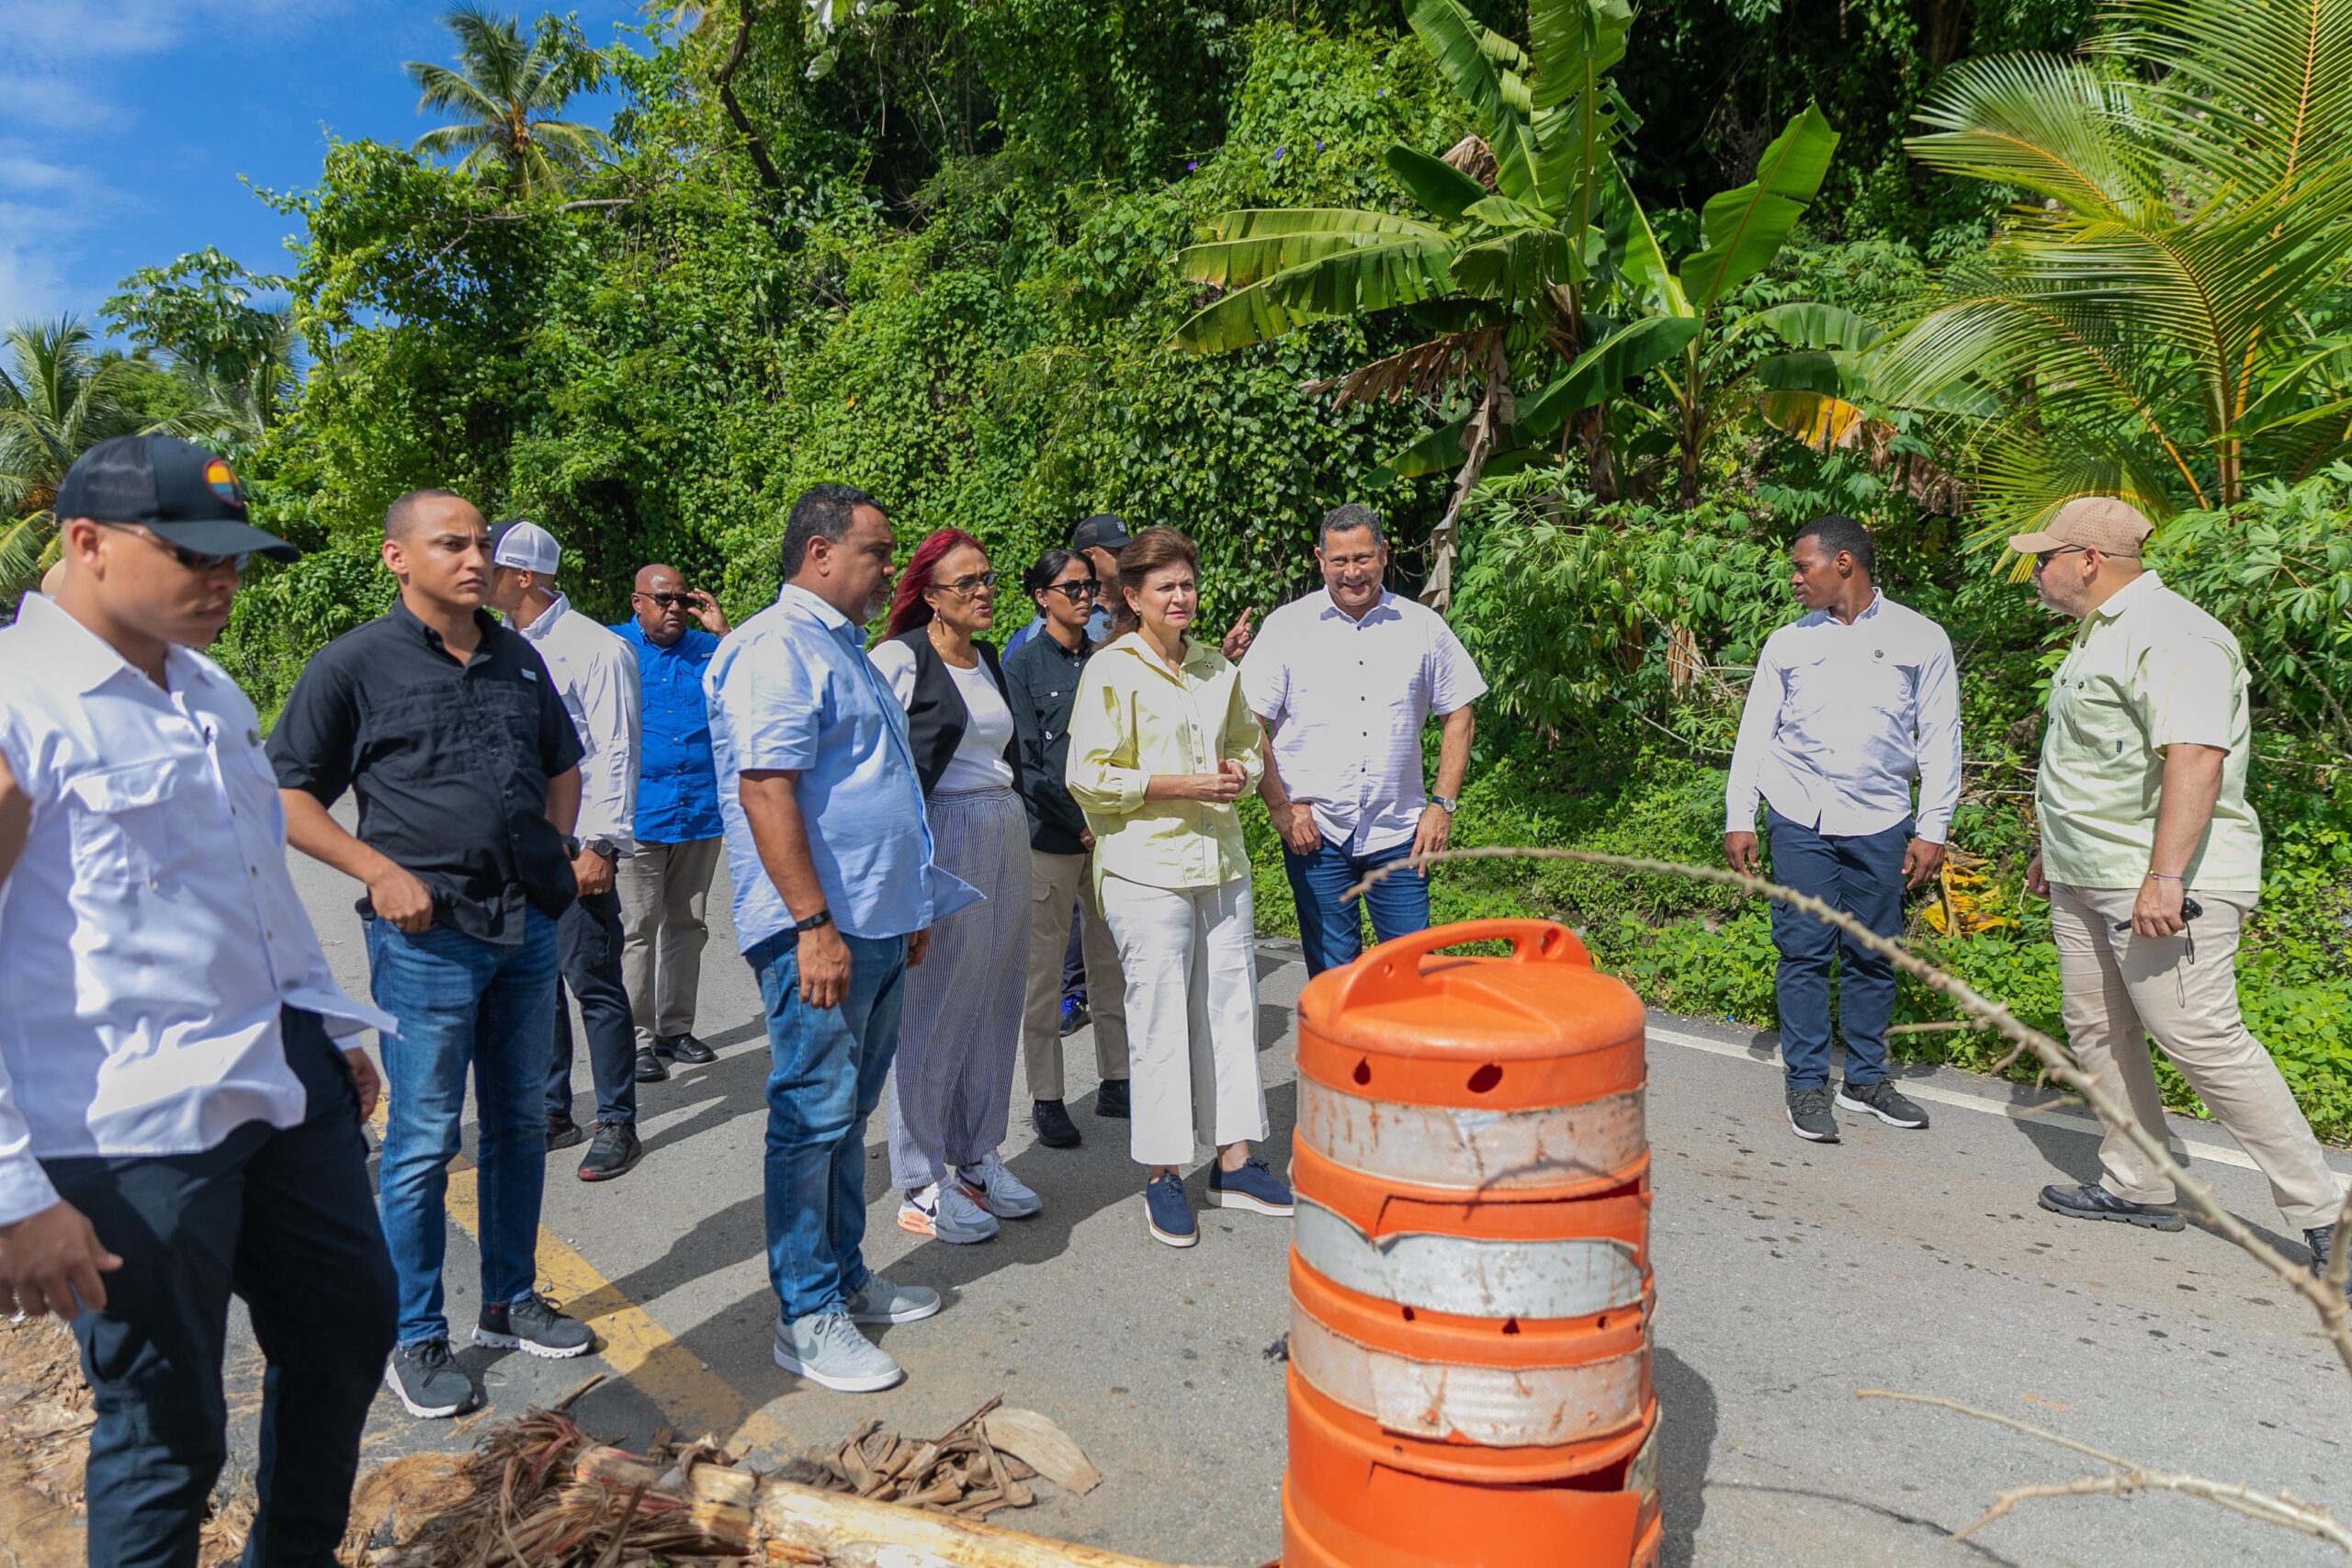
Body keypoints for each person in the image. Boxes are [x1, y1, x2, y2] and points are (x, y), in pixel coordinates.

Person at [0, 434, 398, 1568]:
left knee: (346, 1331)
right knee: (167, 1431)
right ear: (85, 542)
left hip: (276, 1083)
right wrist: (13, 1192)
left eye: (236, 559)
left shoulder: (206, 685)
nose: (221, 580)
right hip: (124, 1131)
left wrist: (316, 1023)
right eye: (191, 554)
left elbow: (250, 880)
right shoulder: (20, 706)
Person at [271, 489, 595, 1421]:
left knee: (519, 1123)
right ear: (395, 558)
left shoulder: (514, 657)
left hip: (525, 927)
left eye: (481, 542)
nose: (473, 556)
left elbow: (563, 763)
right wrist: (376, 870)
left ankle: (508, 1298)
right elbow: (287, 798)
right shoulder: (353, 666)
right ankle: (414, 1334)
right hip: (426, 940)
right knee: (419, 1144)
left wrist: (556, 849)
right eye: (450, 542)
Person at [2015, 498, 2349, 1283]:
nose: (2037, 571)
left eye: (2045, 557)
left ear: (2089, 559)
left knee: (2202, 1038)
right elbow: (2095, 761)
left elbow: (2194, 758)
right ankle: (2139, 1179)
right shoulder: (2100, 636)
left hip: (2160, 881)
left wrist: (2165, 875)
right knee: (2098, 1030)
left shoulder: (2175, 632)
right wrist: (2051, 849)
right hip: (2086, 871)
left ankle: (2323, 1212)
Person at [706, 483, 978, 1393]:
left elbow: (874, 788)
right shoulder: (775, 650)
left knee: (844, 1117)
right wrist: (814, 925)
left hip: (875, 924)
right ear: (819, 554)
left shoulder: (842, 651)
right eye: (874, 551)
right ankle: (804, 1316)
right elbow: (765, 790)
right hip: (818, 932)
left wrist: (906, 911)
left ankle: (845, 1277)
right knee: (811, 1120)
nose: (885, 570)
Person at [1067, 525, 1289, 1248]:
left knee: (1230, 1009)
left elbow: (1247, 750)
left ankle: (1234, 1161)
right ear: (1132, 597)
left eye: (1188, 582)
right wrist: (1174, 784)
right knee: (1160, 1018)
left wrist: (1239, 777)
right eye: (1165, 586)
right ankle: (1164, 1172)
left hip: (1220, 864)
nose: (1181, 596)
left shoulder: (1215, 670)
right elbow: (1088, 775)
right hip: (1144, 868)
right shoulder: (1111, 670)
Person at [1724, 515, 1955, 1145]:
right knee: (1802, 949)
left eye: (1804, 567)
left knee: (1873, 952)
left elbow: (1940, 739)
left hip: (1880, 818)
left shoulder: (1920, 638)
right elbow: (1755, 735)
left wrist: (1932, 827)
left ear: (1845, 564)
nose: (1795, 578)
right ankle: (1806, 1083)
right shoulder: (1787, 644)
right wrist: (1738, 815)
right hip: (1798, 815)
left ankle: (1866, 1078)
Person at [868, 529, 1039, 1242]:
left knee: (996, 1000)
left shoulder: (989, 657)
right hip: (944, 833)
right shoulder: (897, 660)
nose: (983, 591)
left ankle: (976, 1151)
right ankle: (920, 1173)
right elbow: (880, 767)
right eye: (965, 582)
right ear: (930, 595)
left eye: (987, 578)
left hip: (1003, 831)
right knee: (935, 1005)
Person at [1242, 503, 1487, 976]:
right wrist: (1280, 807)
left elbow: (1460, 712)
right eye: (1339, 561)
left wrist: (1443, 805)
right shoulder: (1287, 629)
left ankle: (1405, 1053)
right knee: (1336, 976)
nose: (1352, 573)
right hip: (1315, 834)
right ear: (1320, 559)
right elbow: (1250, 723)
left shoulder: (1422, 627)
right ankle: (1347, 1054)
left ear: (1384, 555)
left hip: (1400, 834)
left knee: (1412, 969)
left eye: (1363, 559)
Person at [485, 520, 646, 1181]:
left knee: (593, 981)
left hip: (579, 843)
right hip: (521, 845)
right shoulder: (498, 645)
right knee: (535, 982)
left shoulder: (594, 647)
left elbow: (617, 749)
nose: (476, 574)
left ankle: (617, 1120)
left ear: (522, 574)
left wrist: (602, 845)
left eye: (488, 564)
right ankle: (555, 1108)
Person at [1004, 549, 1132, 1148]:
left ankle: (1117, 1077)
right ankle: (1048, 1097)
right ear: (1040, 595)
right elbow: (1028, 765)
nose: (1085, 596)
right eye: (1070, 587)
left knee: (1110, 963)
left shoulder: (1108, 660)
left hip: (1108, 837)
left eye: (1089, 586)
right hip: (1054, 839)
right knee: (1045, 974)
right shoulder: (1022, 667)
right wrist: (1080, 821)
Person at [613, 564, 729, 1084]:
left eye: (682, 598)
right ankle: (635, 1041)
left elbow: (757, 678)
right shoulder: (614, 648)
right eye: (663, 599)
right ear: (637, 602)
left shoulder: (710, 650)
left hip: (700, 808)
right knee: (635, 930)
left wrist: (724, 632)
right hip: (638, 812)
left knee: (688, 924)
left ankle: (674, 1029)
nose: (675, 607)